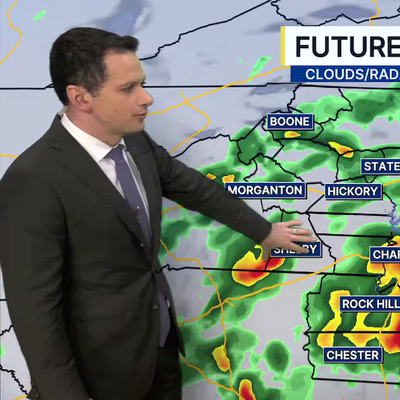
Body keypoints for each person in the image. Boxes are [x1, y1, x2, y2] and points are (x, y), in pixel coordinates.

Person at [0, 27, 315, 400]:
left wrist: (265, 232)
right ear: (81, 97)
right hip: (98, 379)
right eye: (128, 89)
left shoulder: (135, 142)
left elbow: (195, 189)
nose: (146, 98)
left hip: (159, 356)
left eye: (142, 84)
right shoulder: (33, 180)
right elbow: (35, 314)